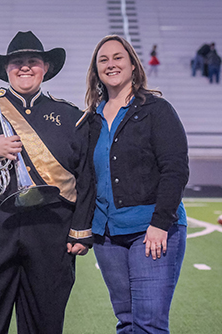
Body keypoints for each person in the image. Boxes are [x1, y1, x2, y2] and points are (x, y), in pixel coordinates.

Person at [0, 31, 94, 333]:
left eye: (33, 62)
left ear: (46, 68)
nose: (25, 68)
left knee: (45, 321)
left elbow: (87, 178)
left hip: (49, 234)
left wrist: (80, 230)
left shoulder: (72, 116)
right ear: (6, 69)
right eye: (17, 63)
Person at [84, 35, 189, 333]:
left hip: (151, 230)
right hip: (107, 236)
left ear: (133, 64)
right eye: (103, 60)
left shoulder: (157, 109)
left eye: (118, 57)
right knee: (127, 322)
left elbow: (175, 168)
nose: (111, 64)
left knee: (148, 325)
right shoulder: (91, 119)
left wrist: (160, 223)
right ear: (96, 71)